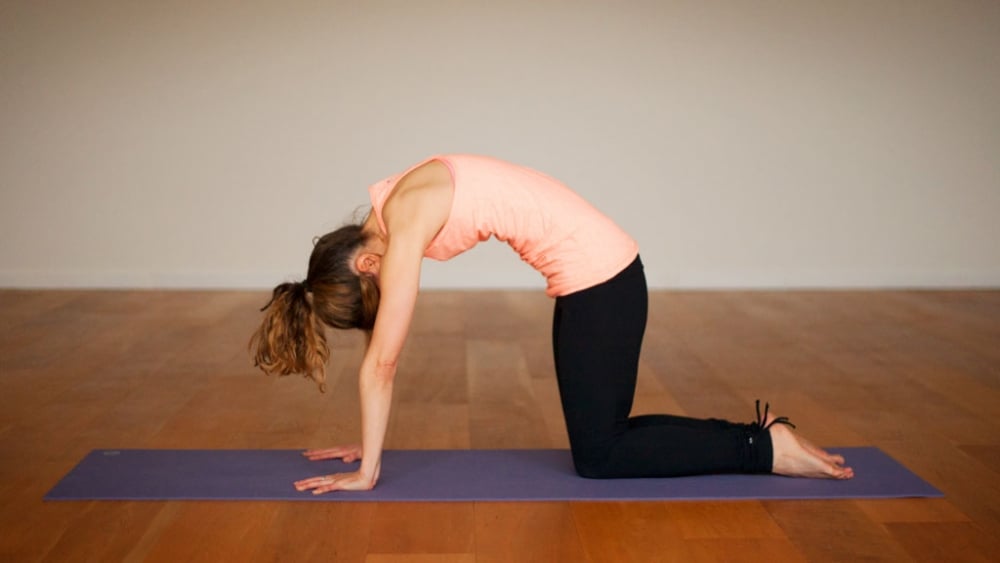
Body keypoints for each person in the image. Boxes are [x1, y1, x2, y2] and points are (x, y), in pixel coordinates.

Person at [249, 154, 854, 495]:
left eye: (371, 291)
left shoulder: (404, 219)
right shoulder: (401, 194)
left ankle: (764, 447)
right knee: (602, 441)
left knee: (601, 455)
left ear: (368, 263)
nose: (383, 294)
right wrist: (369, 441)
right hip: (596, 278)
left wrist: (368, 471)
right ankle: (761, 438)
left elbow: (383, 360)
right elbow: (381, 352)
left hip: (603, 280)